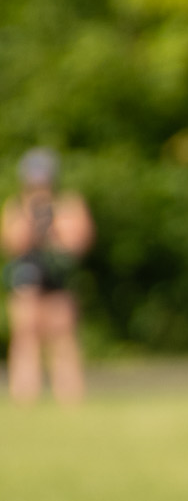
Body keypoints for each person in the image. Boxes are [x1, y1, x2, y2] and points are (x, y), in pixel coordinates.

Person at [1, 149, 95, 404]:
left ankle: (70, 397)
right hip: (27, 277)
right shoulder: (16, 206)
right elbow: (12, 243)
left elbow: (79, 241)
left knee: (63, 336)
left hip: (57, 277)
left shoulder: (68, 204)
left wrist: (54, 225)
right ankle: (24, 396)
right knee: (24, 335)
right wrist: (32, 220)